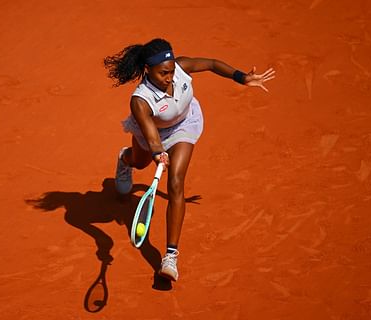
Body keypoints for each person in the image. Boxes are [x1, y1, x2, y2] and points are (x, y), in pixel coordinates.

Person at [103, 38, 275, 282]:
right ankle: (125, 159)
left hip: (185, 125)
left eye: (172, 71)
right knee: (139, 162)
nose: (170, 77)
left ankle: (170, 256)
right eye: (163, 73)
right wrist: (157, 153)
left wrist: (241, 77)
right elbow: (152, 136)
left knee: (175, 183)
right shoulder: (140, 100)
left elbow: (213, 64)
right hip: (152, 135)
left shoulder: (180, 69)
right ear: (147, 70)